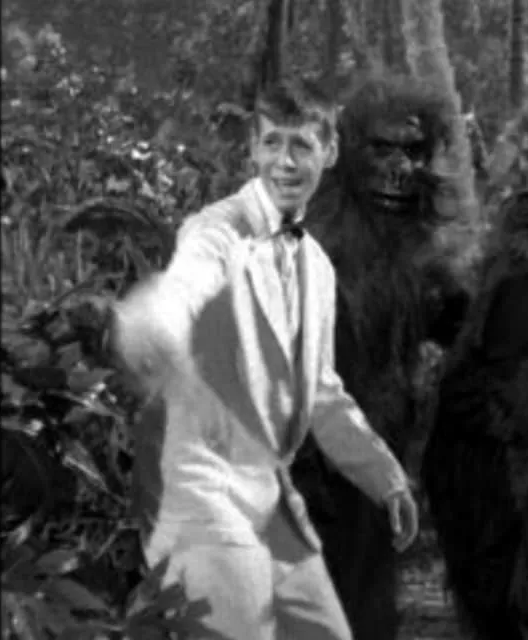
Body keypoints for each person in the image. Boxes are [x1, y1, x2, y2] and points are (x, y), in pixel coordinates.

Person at [109, 75, 419, 640]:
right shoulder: (216, 230)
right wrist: (153, 322)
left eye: (302, 144)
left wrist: (386, 478)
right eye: (272, 142)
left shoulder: (316, 266)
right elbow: (186, 283)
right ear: (252, 149)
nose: (285, 161)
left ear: (329, 151)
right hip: (198, 481)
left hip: (271, 492)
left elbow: (321, 391)